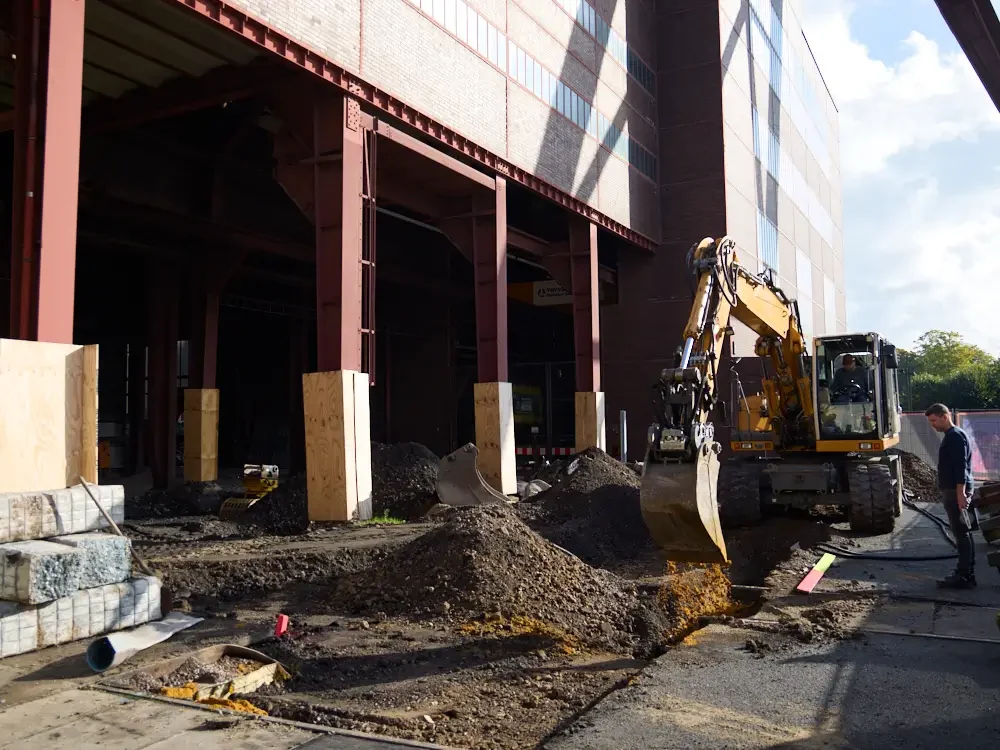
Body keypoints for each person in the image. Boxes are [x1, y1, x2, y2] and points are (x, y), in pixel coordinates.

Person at [925, 403, 976, 588]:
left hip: (956, 492)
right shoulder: (955, 435)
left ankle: (964, 576)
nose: (933, 425)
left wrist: (960, 493)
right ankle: (966, 573)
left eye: (934, 421)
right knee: (963, 533)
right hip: (956, 491)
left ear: (944, 416)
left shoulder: (954, 437)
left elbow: (960, 466)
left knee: (961, 534)